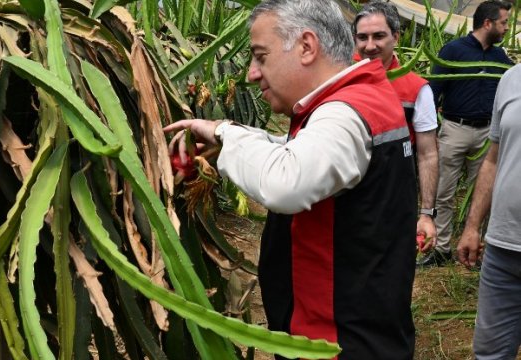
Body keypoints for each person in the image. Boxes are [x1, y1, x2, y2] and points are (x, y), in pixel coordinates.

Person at [164, 0, 417, 358]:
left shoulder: (343, 114)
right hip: (365, 325)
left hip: (336, 344)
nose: (252, 73)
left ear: (307, 46)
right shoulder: (363, 98)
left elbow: (285, 183)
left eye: (261, 56)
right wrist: (231, 140)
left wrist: (225, 133)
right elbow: (300, 151)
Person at [419, 0, 513, 267]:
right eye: (503, 22)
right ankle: (441, 249)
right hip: (454, 128)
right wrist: (432, 131)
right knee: (444, 191)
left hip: (487, 135)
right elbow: (432, 91)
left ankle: (475, 250)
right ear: (487, 23)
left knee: (481, 195)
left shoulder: (500, 58)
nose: (506, 27)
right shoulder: (453, 50)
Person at [353, 0, 439, 253]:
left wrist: (426, 213)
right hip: (344, 198)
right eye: (362, 37)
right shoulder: (339, 77)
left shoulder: (416, 89)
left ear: (396, 37)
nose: (370, 46)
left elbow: (428, 153)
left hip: (392, 200)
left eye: (379, 36)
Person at [456, 64, 521, 359]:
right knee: (490, 353)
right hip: (501, 251)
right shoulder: (511, 79)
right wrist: (472, 227)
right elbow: (494, 159)